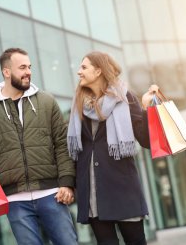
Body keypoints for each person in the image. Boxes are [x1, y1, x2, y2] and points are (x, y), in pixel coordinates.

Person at [0, 48, 78, 245]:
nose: (28, 71)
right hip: (15, 200)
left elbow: (62, 145)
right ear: (6, 71)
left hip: (52, 193)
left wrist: (67, 183)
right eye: (22, 67)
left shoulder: (46, 102)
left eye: (29, 67)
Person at [67, 51, 158, 245]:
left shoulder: (125, 98)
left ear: (98, 71)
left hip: (122, 187)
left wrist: (145, 109)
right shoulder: (78, 104)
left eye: (84, 67)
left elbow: (146, 141)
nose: (79, 72)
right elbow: (76, 150)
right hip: (93, 191)